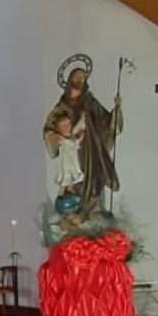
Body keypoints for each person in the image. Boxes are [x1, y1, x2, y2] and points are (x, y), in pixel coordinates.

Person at [44, 67, 123, 217]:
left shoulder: (90, 102)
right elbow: (49, 129)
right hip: (74, 153)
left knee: (95, 181)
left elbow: (107, 122)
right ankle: (75, 214)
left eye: (83, 78)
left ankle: (94, 214)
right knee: (75, 181)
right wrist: (54, 137)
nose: (80, 81)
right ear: (69, 81)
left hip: (93, 150)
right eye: (76, 77)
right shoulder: (61, 107)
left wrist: (117, 109)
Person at [51, 112, 86, 197]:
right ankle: (61, 191)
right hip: (66, 162)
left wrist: (82, 119)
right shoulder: (61, 139)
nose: (67, 127)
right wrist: (79, 139)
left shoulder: (71, 134)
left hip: (73, 160)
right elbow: (71, 144)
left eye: (68, 124)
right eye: (64, 126)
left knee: (73, 175)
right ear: (59, 130)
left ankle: (70, 188)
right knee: (66, 176)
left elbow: (77, 128)